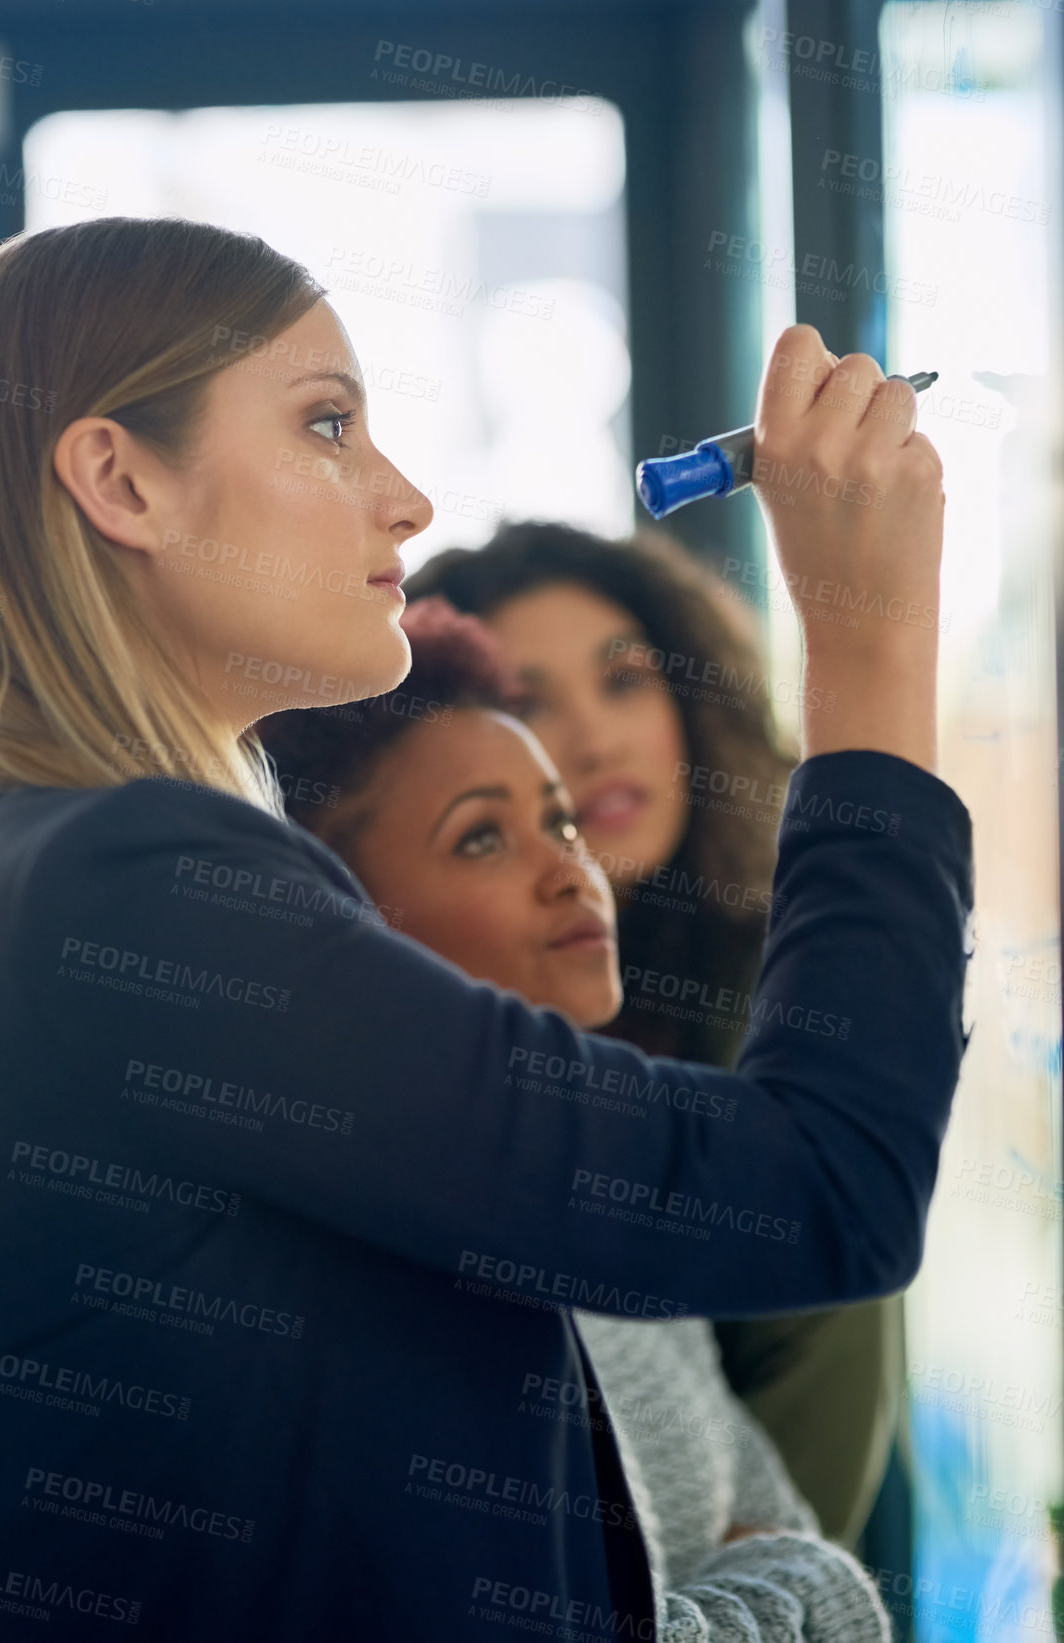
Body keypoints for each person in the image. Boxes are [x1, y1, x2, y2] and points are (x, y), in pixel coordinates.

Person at [0, 216, 971, 1642]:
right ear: (119, 478)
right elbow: (824, 1185)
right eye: (327, 424)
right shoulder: (125, 878)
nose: (402, 500)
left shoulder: (36, 873)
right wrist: (867, 641)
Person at [258, 591, 891, 1641]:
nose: (568, 867)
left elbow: (788, 1528)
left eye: (555, 818)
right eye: (480, 841)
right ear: (350, 935)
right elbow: (798, 1576)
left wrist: (758, 1577)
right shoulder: (392, 1281)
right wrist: (792, 1586)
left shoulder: (602, 1203)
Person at [405, 522, 902, 1546]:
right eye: (527, 702)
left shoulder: (783, 1008)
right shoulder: (431, 1042)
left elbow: (809, 1484)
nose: (594, 739)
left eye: (625, 680)